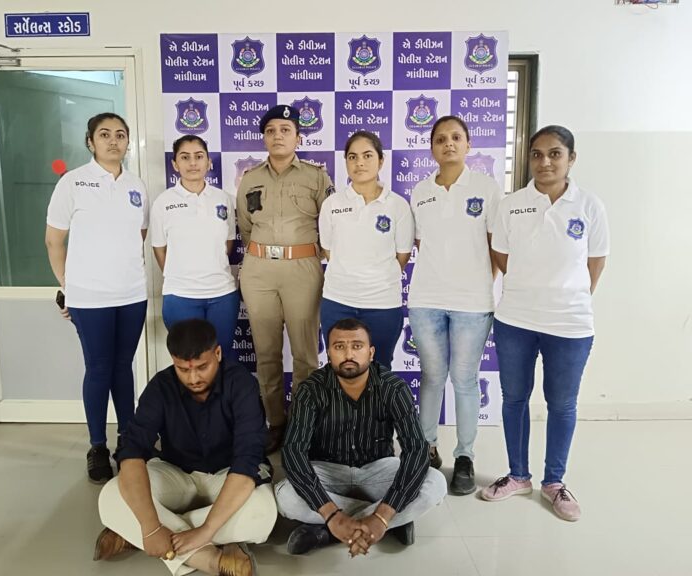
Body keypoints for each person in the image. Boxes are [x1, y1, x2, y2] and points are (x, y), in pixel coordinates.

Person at [480, 125, 609, 522]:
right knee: (514, 398)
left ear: (571, 159)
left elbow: (595, 261)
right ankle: (518, 476)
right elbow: (502, 255)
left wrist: (566, 295)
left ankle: (554, 482)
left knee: (562, 403)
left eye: (555, 154)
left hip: (570, 324)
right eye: (537, 154)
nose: (545, 162)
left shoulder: (589, 206)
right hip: (515, 319)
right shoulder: (511, 204)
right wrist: (529, 288)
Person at [95, 319, 277, 576]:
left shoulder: (241, 384)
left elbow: (247, 460)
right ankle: (210, 560)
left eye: (202, 367)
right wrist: (150, 526)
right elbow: (132, 450)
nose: (193, 378)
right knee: (110, 495)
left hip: (228, 475)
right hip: (176, 472)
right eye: (183, 369)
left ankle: (134, 533)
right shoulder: (161, 386)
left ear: (218, 353)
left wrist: (205, 530)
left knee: (264, 512)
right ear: (173, 361)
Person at [276, 318, 447, 557]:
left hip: (377, 469)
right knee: (286, 496)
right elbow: (294, 452)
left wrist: (382, 513)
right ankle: (389, 522)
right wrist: (335, 515)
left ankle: (329, 531)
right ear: (329, 353)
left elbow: (416, 449)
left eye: (357, 346)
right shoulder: (311, 389)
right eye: (339, 347)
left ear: (371, 352)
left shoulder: (393, 387)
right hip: (328, 471)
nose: (348, 354)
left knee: (435, 484)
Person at [45, 112, 148, 484]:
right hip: (90, 298)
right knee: (99, 368)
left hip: (132, 293)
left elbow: (138, 234)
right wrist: (68, 287)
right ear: (90, 141)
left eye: (120, 134)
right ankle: (97, 446)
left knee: (123, 367)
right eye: (104, 134)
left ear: (127, 142)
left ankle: (128, 442)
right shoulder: (72, 182)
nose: (113, 140)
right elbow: (54, 241)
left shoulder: (136, 185)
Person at [407, 115, 502, 495]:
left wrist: (479, 286)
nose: (448, 144)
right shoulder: (420, 191)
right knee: (431, 377)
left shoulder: (487, 188)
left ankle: (464, 457)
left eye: (456, 137)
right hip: (426, 299)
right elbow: (420, 244)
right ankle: (426, 448)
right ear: (432, 147)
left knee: (464, 380)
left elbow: (496, 246)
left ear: (468, 144)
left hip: (472, 303)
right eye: (441, 139)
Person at [237, 104, 334, 454]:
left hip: (302, 268)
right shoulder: (250, 178)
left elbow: (331, 224)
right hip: (259, 269)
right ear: (264, 138)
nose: (277, 136)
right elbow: (245, 227)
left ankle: (304, 425)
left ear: (298, 138)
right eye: (271, 130)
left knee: (306, 355)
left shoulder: (316, 177)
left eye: (285, 130)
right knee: (266, 353)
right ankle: (276, 423)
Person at [318, 131, 414, 369]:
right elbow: (328, 250)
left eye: (367, 155)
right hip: (337, 301)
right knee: (340, 369)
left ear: (381, 161)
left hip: (382, 304)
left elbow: (402, 255)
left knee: (379, 370)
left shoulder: (398, 205)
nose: (359, 162)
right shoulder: (332, 204)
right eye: (352, 157)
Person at [151, 135, 238, 356]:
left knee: (221, 358)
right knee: (189, 361)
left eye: (199, 156)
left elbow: (228, 243)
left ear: (209, 162)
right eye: (185, 157)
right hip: (180, 296)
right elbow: (159, 248)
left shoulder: (223, 199)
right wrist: (180, 275)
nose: (192, 163)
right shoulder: (163, 202)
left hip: (222, 294)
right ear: (175, 164)